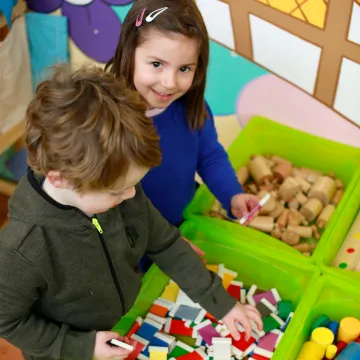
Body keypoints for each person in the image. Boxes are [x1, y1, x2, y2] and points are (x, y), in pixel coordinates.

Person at [0, 65, 262, 360]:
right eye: (116, 190)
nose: (131, 195)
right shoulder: (21, 250)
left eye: (133, 184)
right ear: (60, 178)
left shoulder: (122, 192)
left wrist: (221, 303)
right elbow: (7, 320)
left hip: (124, 324)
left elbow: (166, 243)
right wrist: (83, 347)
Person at [106, 0, 260, 271]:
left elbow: (210, 157)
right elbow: (102, 208)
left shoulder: (192, 109)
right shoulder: (103, 122)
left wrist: (233, 196)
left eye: (184, 69)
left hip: (183, 229)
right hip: (128, 247)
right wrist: (161, 244)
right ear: (128, 52)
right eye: (156, 64)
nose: (169, 82)